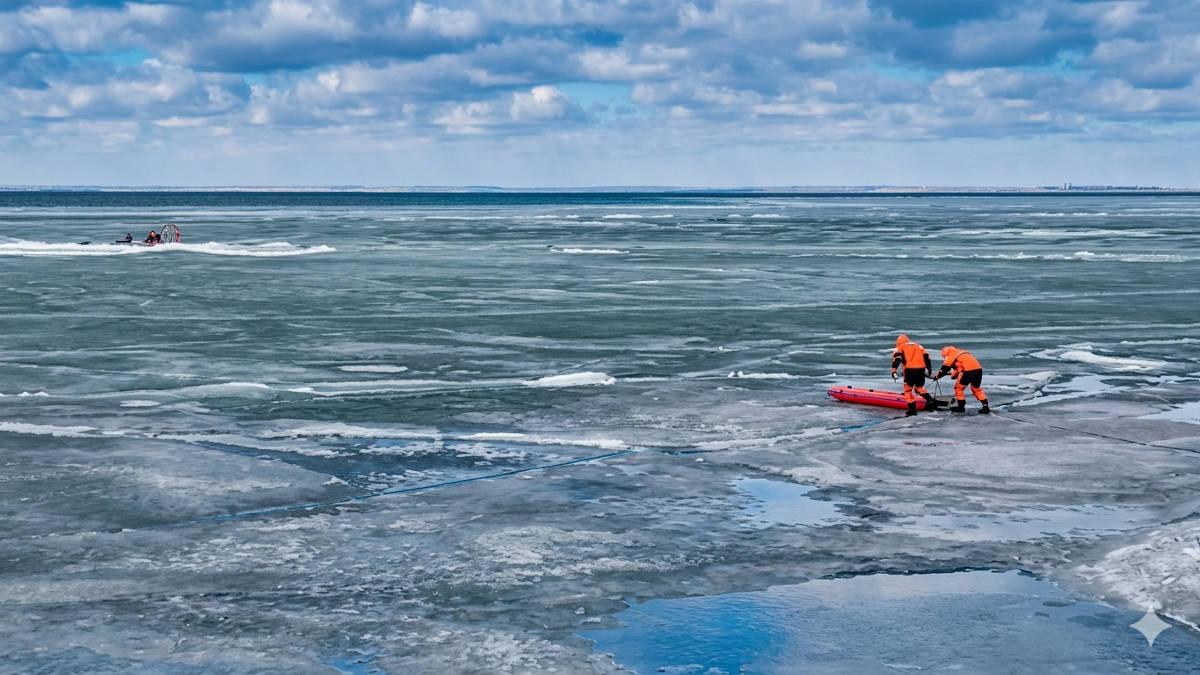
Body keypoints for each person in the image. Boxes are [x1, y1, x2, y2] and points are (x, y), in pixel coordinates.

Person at [891, 334, 941, 417]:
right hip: (921, 369)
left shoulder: (901, 347)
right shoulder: (919, 346)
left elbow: (897, 359)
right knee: (919, 388)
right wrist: (929, 370)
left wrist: (894, 371)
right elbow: (927, 357)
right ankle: (931, 402)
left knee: (908, 390)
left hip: (910, 370)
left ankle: (912, 411)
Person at [933, 345, 990, 414]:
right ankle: (985, 406)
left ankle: (961, 407)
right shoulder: (961, 353)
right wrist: (952, 375)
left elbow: (944, 369)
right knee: (976, 389)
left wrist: (937, 376)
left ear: (946, 353)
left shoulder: (951, 355)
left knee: (958, 388)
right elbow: (958, 369)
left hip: (968, 371)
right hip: (978, 370)